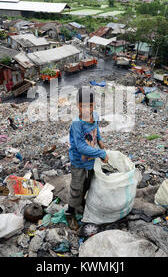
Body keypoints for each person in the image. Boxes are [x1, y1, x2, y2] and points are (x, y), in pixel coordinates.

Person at [65, 88, 108, 230]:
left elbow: (97, 128)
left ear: (93, 104)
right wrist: (101, 154)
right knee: (76, 188)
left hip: (90, 160)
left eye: (90, 106)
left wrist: (100, 141)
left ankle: (81, 203)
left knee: (88, 184)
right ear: (78, 105)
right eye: (83, 106)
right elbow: (81, 147)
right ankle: (70, 212)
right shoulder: (77, 123)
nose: (87, 109)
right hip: (79, 162)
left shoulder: (94, 115)